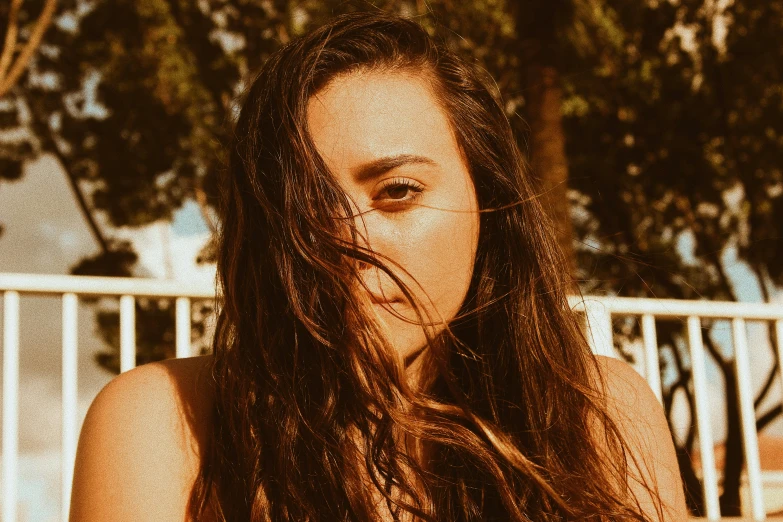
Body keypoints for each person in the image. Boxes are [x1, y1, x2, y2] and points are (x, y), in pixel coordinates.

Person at [69, 11, 687, 522]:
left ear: (488, 200)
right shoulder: (167, 424)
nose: (345, 243)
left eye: (397, 191)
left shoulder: (598, 412)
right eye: (303, 208)